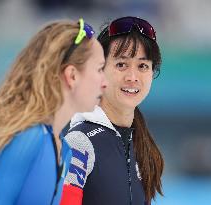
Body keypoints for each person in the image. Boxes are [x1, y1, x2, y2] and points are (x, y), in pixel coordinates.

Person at [0, 18, 107, 205]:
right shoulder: (26, 137)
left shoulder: (64, 149)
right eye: (100, 69)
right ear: (72, 75)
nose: (105, 82)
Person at [60, 16, 164, 205]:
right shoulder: (80, 143)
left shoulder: (142, 147)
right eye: (121, 65)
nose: (132, 77)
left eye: (143, 66)